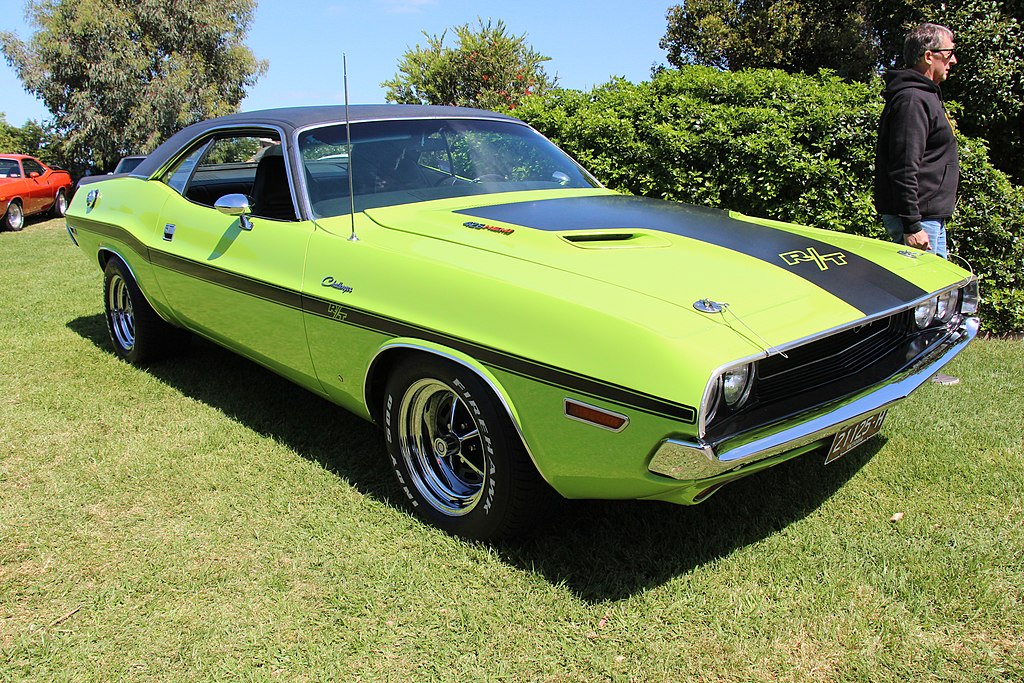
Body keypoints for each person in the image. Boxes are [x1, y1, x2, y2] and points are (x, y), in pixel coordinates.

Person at [874, 22, 961, 385]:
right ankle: (909, 367)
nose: (952, 61)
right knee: (919, 298)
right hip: (918, 217)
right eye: (948, 53)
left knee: (933, 296)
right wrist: (912, 225)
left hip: (928, 215)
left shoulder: (924, 95)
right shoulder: (912, 99)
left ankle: (926, 365)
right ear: (929, 56)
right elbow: (904, 166)